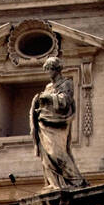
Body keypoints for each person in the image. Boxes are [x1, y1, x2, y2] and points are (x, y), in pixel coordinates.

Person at [29, 57, 87, 189]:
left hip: (58, 124)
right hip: (44, 122)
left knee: (56, 153)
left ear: (56, 69)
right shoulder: (48, 86)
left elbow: (65, 101)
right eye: (47, 69)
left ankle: (76, 180)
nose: (48, 72)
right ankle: (54, 182)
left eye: (49, 69)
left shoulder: (66, 83)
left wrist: (48, 97)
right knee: (47, 154)